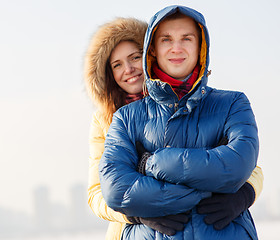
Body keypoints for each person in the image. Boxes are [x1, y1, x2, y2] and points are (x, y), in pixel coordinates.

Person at [84, 14, 263, 240]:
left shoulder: (220, 103)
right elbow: (100, 191)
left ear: (149, 54)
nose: (128, 69)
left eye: (134, 57)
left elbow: (245, 164)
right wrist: (136, 214)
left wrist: (245, 194)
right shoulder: (113, 119)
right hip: (138, 227)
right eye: (117, 65)